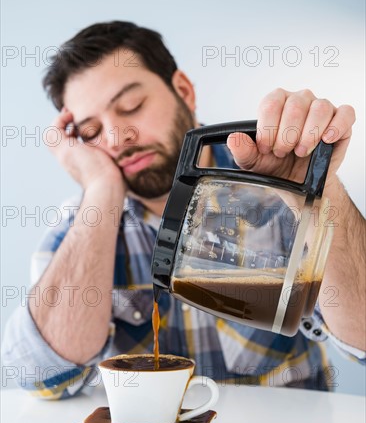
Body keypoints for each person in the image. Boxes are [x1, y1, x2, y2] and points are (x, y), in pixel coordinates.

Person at [3, 21, 365, 399]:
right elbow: (42, 377)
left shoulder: (280, 191)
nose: (115, 137)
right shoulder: (86, 222)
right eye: (92, 131)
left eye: (132, 107)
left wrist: (319, 195)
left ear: (184, 90)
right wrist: (101, 189)